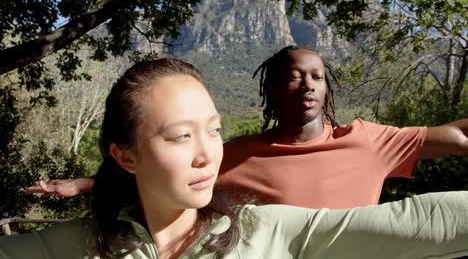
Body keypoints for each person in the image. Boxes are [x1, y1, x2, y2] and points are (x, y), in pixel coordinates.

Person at [3, 58, 468, 259]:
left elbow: (419, 220)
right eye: (181, 136)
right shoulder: (73, 246)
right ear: (125, 155)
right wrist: (85, 183)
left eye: (215, 130)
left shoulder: (267, 232)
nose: (208, 154)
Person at [25, 45, 468, 209]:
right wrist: (83, 184)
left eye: (317, 76)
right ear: (273, 90)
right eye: (294, 76)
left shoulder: (371, 141)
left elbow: (458, 136)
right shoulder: (235, 153)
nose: (308, 84)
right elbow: (162, 177)